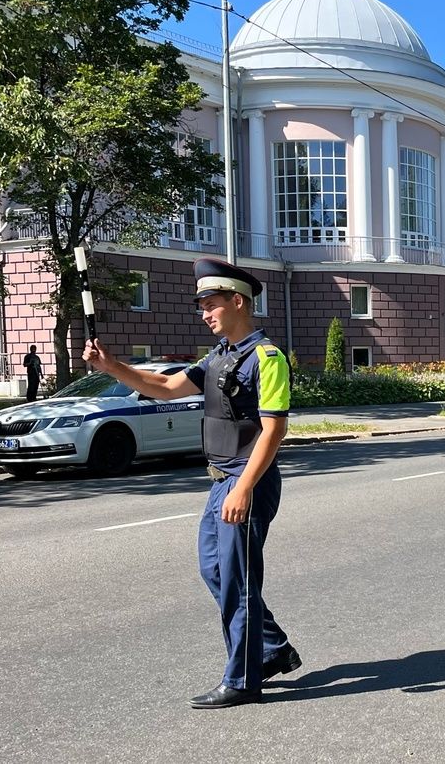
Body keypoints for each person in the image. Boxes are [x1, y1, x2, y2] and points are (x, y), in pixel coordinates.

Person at [82, 258, 299, 709]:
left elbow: (273, 430)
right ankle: (271, 647)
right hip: (221, 479)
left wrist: (243, 488)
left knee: (238, 579)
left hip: (247, 480)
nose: (204, 313)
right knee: (215, 570)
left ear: (237, 301)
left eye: (210, 304)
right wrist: (112, 366)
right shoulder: (218, 357)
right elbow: (164, 387)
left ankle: (243, 679)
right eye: (201, 306)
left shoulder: (267, 358)